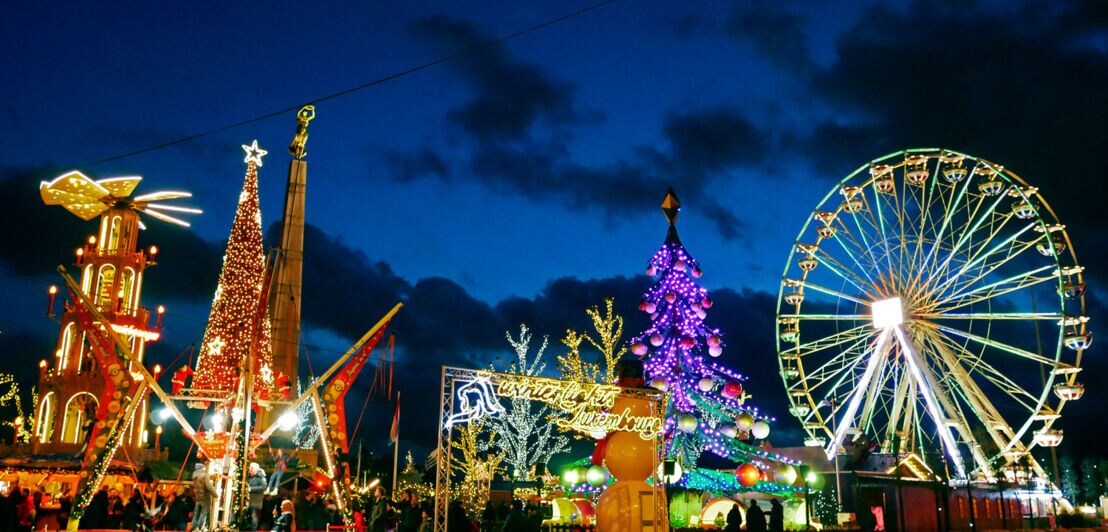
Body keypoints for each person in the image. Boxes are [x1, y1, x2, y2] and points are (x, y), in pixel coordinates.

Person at [191, 462, 218, 531]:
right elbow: (209, 486)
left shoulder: (194, 476)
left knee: (196, 513)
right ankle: (199, 527)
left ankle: (194, 527)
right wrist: (215, 495)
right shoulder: (205, 475)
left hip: (198, 497)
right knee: (203, 513)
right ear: (202, 468)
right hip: (205, 497)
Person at [248, 462, 268, 530]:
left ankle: (253, 530)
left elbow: (264, 487)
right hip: (248, 499)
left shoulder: (261, 477)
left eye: (252, 468)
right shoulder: (248, 476)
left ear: (256, 469)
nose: (250, 469)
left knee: (254, 515)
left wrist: (251, 489)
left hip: (256, 500)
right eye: (250, 467)